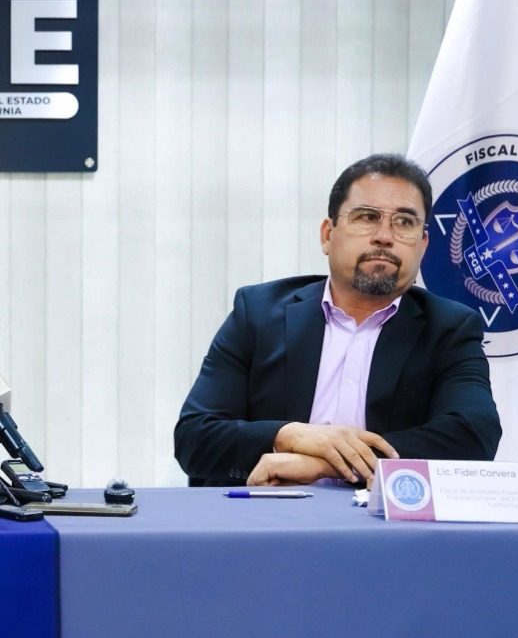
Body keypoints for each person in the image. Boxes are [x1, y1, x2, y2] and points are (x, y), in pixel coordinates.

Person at [174, 153, 500, 488]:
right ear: (327, 235)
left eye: (404, 222)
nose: (384, 236)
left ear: (423, 245)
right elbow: (194, 438)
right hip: (265, 512)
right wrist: (288, 436)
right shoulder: (258, 313)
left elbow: (474, 437)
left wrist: (323, 464)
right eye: (367, 217)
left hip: (379, 518)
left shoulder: (449, 328)